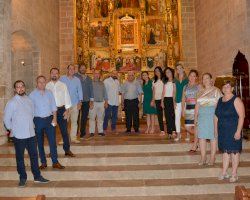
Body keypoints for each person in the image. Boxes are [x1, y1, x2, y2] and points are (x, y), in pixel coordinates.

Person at [4, 80, 49, 187]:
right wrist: (13, 130)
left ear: (24, 88)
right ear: (15, 89)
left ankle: (37, 176)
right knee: (20, 158)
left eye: (22, 86)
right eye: (18, 87)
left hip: (31, 134)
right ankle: (23, 178)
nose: (20, 88)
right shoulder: (12, 102)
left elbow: (32, 114)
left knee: (34, 156)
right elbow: (6, 119)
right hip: (19, 135)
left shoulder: (29, 100)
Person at [29, 76, 65, 170]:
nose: (42, 84)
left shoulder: (49, 93)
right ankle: (43, 162)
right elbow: (30, 110)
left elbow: (54, 107)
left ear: (46, 83)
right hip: (38, 120)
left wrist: (55, 119)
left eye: (43, 82)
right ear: (37, 83)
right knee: (40, 143)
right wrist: (32, 122)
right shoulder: (32, 95)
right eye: (40, 82)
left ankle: (55, 162)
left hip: (49, 120)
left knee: (52, 142)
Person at [215, 81, 245, 183]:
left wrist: (238, 131)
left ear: (232, 88)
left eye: (228, 86)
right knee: (225, 152)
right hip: (222, 131)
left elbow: (242, 117)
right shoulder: (220, 100)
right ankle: (224, 172)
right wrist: (215, 130)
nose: (225, 88)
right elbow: (216, 116)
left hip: (233, 130)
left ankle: (234, 174)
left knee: (234, 152)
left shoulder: (236, 100)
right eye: (224, 87)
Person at [46, 68, 75, 157]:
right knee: (51, 133)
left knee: (64, 131)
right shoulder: (46, 86)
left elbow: (67, 97)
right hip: (50, 112)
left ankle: (67, 150)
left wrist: (67, 110)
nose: (54, 74)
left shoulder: (63, 85)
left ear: (59, 75)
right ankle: (52, 151)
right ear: (50, 74)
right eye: (52, 73)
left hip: (61, 110)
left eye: (56, 73)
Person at [195, 73, 222, 166]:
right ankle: (203, 157)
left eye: (207, 78)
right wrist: (195, 118)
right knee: (201, 137)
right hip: (202, 116)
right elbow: (197, 105)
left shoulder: (216, 90)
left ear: (211, 79)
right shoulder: (200, 92)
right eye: (203, 78)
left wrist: (218, 117)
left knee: (213, 137)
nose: (205, 80)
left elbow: (220, 105)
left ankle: (212, 157)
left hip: (212, 115)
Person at [60, 64, 83, 143]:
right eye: (70, 69)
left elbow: (79, 90)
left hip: (75, 103)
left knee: (74, 121)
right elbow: (59, 90)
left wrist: (80, 102)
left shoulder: (77, 80)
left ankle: (73, 137)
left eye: (73, 69)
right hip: (65, 105)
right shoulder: (62, 78)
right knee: (64, 123)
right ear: (67, 70)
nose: (72, 70)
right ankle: (64, 139)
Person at [182, 70, 200, 151]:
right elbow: (183, 99)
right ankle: (200, 137)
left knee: (196, 126)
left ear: (196, 77)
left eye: (194, 76)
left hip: (196, 107)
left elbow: (201, 98)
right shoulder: (185, 86)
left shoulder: (198, 86)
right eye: (191, 75)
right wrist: (183, 109)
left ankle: (195, 145)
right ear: (188, 76)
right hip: (188, 107)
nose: (192, 77)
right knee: (187, 127)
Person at [75, 65, 94, 138]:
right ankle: (75, 131)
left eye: (84, 68)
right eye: (81, 68)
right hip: (77, 101)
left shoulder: (89, 78)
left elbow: (91, 89)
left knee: (84, 117)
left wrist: (91, 100)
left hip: (86, 100)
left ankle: (82, 132)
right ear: (79, 69)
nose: (83, 69)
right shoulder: (75, 76)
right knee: (76, 116)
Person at [89, 70, 108, 136]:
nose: (97, 75)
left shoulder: (102, 83)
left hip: (101, 103)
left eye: (98, 74)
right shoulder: (90, 83)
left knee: (100, 118)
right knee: (92, 118)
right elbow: (89, 93)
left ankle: (100, 131)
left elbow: (105, 93)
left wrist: (106, 102)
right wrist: (90, 102)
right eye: (95, 73)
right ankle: (92, 132)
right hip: (93, 103)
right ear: (93, 74)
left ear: (99, 75)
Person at [174, 63, 188, 141]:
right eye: (177, 69)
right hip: (178, 100)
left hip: (186, 101)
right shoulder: (175, 79)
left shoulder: (187, 79)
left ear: (183, 69)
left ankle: (188, 134)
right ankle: (178, 134)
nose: (179, 70)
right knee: (177, 118)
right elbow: (175, 91)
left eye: (180, 68)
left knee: (186, 118)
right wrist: (174, 101)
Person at [161, 67, 176, 139]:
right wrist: (162, 101)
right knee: (167, 116)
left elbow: (174, 93)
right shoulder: (165, 81)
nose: (168, 73)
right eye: (166, 72)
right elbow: (163, 92)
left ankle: (173, 130)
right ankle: (169, 132)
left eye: (169, 72)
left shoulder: (174, 81)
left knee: (172, 116)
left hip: (172, 100)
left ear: (172, 72)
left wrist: (174, 102)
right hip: (166, 100)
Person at [152, 67, 165, 135]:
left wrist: (162, 100)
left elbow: (164, 90)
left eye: (158, 71)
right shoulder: (154, 81)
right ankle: (162, 130)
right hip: (157, 100)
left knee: (167, 115)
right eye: (155, 71)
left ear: (160, 71)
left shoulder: (164, 79)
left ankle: (171, 130)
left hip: (164, 99)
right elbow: (153, 91)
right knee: (159, 116)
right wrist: (153, 100)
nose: (157, 72)